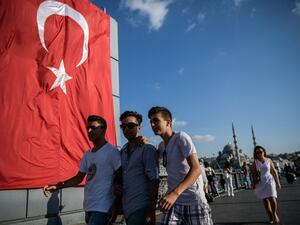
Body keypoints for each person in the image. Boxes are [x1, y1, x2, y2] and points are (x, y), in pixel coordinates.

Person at [43, 115, 121, 225]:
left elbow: (121, 178)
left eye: (93, 127)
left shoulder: (112, 152)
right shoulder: (87, 154)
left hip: (103, 208)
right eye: (88, 128)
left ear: (103, 129)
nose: (89, 131)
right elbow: (78, 178)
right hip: (88, 208)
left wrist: (116, 206)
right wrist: (57, 186)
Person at [148, 106, 213, 225]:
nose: (152, 124)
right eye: (151, 122)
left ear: (168, 122)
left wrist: (174, 194)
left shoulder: (181, 137)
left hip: (194, 200)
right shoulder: (161, 146)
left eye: (156, 120)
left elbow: (196, 169)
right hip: (175, 203)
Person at [119, 111, 160, 225]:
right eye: (123, 126)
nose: (126, 129)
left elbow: (154, 180)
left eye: (131, 126)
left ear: (139, 127)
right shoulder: (123, 152)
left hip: (141, 208)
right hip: (127, 209)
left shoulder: (147, 149)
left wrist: (151, 211)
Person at [252, 145, 281, 224]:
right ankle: (270, 216)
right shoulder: (255, 162)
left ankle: (274, 213)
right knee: (265, 199)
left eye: (260, 152)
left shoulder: (269, 160)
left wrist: (278, 182)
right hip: (260, 182)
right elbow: (253, 173)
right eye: (257, 152)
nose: (259, 153)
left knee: (272, 198)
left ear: (264, 152)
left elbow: (274, 171)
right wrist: (254, 182)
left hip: (269, 180)